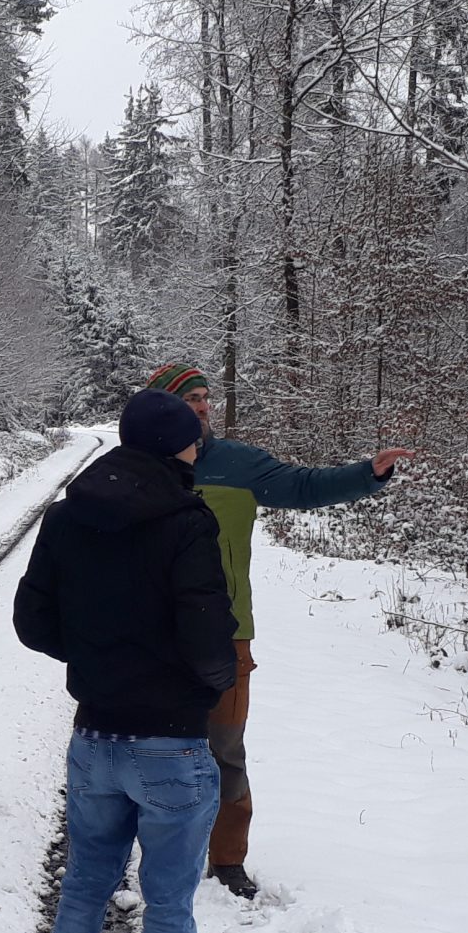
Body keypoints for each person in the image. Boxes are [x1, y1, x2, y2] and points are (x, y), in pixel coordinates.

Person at [14, 389, 238, 933]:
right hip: (170, 739)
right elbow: (207, 631)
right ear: (175, 446)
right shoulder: (186, 520)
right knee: (168, 897)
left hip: (96, 735)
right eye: (194, 438)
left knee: (85, 882)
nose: (200, 447)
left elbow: (33, 622)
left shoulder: (67, 517)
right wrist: (210, 686)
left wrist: (96, 661)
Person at [141, 362, 411, 900]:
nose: (200, 406)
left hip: (226, 633)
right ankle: (160, 847)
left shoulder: (236, 463)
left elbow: (302, 486)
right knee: (155, 747)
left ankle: (227, 859)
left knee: (225, 747)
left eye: (204, 397)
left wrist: (367, 474)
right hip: (151, 635)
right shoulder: (136, 469)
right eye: (187, 398)